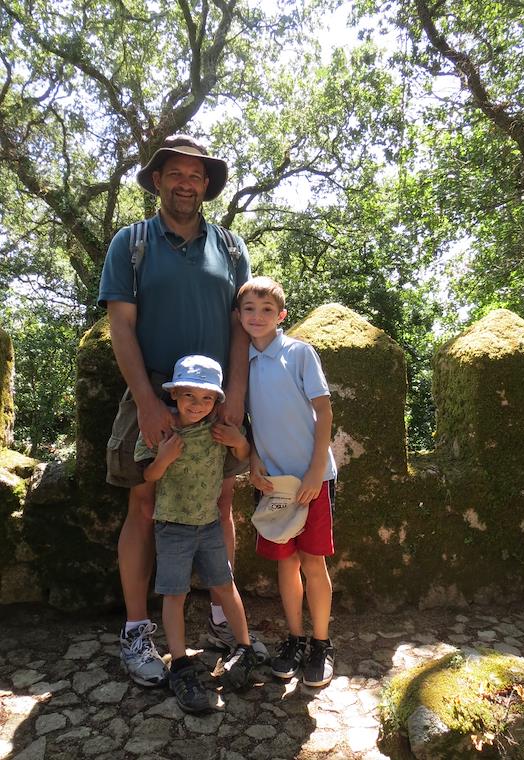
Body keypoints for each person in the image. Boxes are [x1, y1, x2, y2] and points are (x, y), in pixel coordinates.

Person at [98, 134, 264, 687]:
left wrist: (236, 395)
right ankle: (137, 630)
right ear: (158, 180)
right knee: (144, 506)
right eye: (176, 173)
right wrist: (148, 403)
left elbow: (241, 328)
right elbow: (121, 326)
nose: (186, 183)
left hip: (216, 398)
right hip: (155, 392)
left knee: (222, 501)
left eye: (196, 175)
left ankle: (220, 616)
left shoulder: (231, 248)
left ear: (206, 185)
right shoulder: (132, 243)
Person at [133, 354, 258, 712]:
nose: (197, 404)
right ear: (174, 394)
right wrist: (164, 458)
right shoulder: (162, 430)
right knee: (174, 594)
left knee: (225, 584)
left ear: (216, 401)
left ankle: (245, 649)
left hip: (209, 524)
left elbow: (244, 454)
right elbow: (147, 475)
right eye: (189, 395)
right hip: (173, 526)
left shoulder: (216, 428)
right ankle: (180, 663)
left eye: (206, 398)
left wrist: (237, 440)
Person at [237, 276, 338, 688]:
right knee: (286, 561)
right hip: (275, 483)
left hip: (312, 479)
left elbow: (324, 412)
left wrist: (315, 471)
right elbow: (251, 420)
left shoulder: (299, 353)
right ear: (238, 315)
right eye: (249, 309)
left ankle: (321, 643)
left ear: (281, 316)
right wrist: (254, 462)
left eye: (266, 310)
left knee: (313, 561)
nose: (257, 316)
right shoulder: (242, 363)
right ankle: (295, 639)